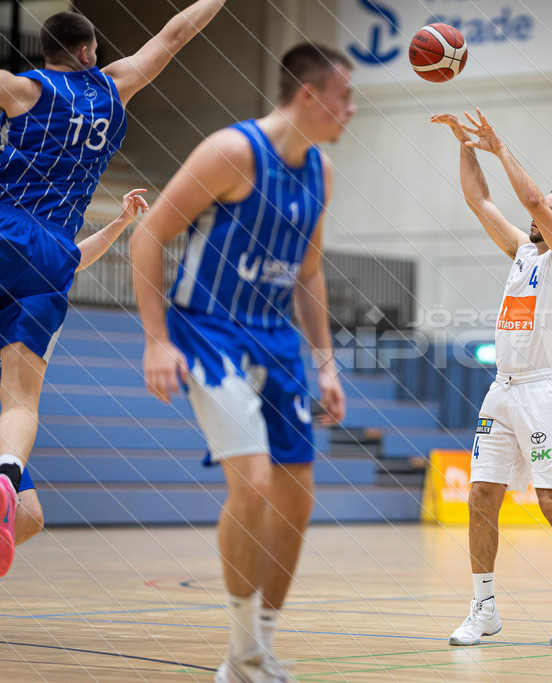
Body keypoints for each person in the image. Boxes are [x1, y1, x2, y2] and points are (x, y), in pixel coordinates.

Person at [131, 43, 351, 682]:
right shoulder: (232, 152)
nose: (351, 109)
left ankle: (256, 651)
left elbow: (309, 273)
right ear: (309, 95)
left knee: (297, 499)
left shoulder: (322, 172)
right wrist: (154, 340)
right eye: (343, 96)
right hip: (208, 331)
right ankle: (242, 651)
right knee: (252, 483)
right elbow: (149, 236)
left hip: (275, 339)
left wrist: (327, 365)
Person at [0, 2, 227, 577]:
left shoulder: (25, 91)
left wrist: (121, 225)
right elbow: (175, 34)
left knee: (29, 518)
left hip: (15, 224)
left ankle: (7, 485)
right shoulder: (113, 86)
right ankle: (4, 476)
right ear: (88, 52)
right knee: (22, 399)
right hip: (50, 246)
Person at [432, 109, 552, 648]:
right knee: (482, 494)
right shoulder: (522, 252)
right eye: (542, 210)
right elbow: (479, 201)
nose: (537, 215)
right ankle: (483, 606)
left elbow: (531, 201)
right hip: (503, 389)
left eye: (551, 212)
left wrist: (499, 145)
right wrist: (465, 145)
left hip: (546, 391)